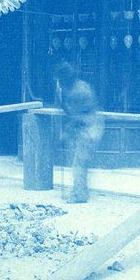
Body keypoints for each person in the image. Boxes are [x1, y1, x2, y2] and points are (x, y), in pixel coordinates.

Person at [55, 63, 105, 204]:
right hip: (87, 125)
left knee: (79, 164)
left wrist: (66, 132)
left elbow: (76, 115)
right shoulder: (80, 86)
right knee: (79, 162)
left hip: (89, 127)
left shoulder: (77, 91)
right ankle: (80, 191)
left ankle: (79, 195)